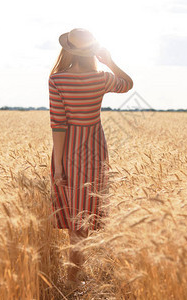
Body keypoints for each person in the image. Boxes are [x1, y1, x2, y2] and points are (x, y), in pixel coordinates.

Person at [49, 28, 133, 284]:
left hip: (69, 146)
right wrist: (110, 62)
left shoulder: (57, 80)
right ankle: (78, 272)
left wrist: (60, 165)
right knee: (85, 210)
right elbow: (128, 84)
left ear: (68, 51)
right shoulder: (102, 78)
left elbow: (59, 124)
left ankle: (73, 275)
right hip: (95, 147)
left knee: (74, 211)